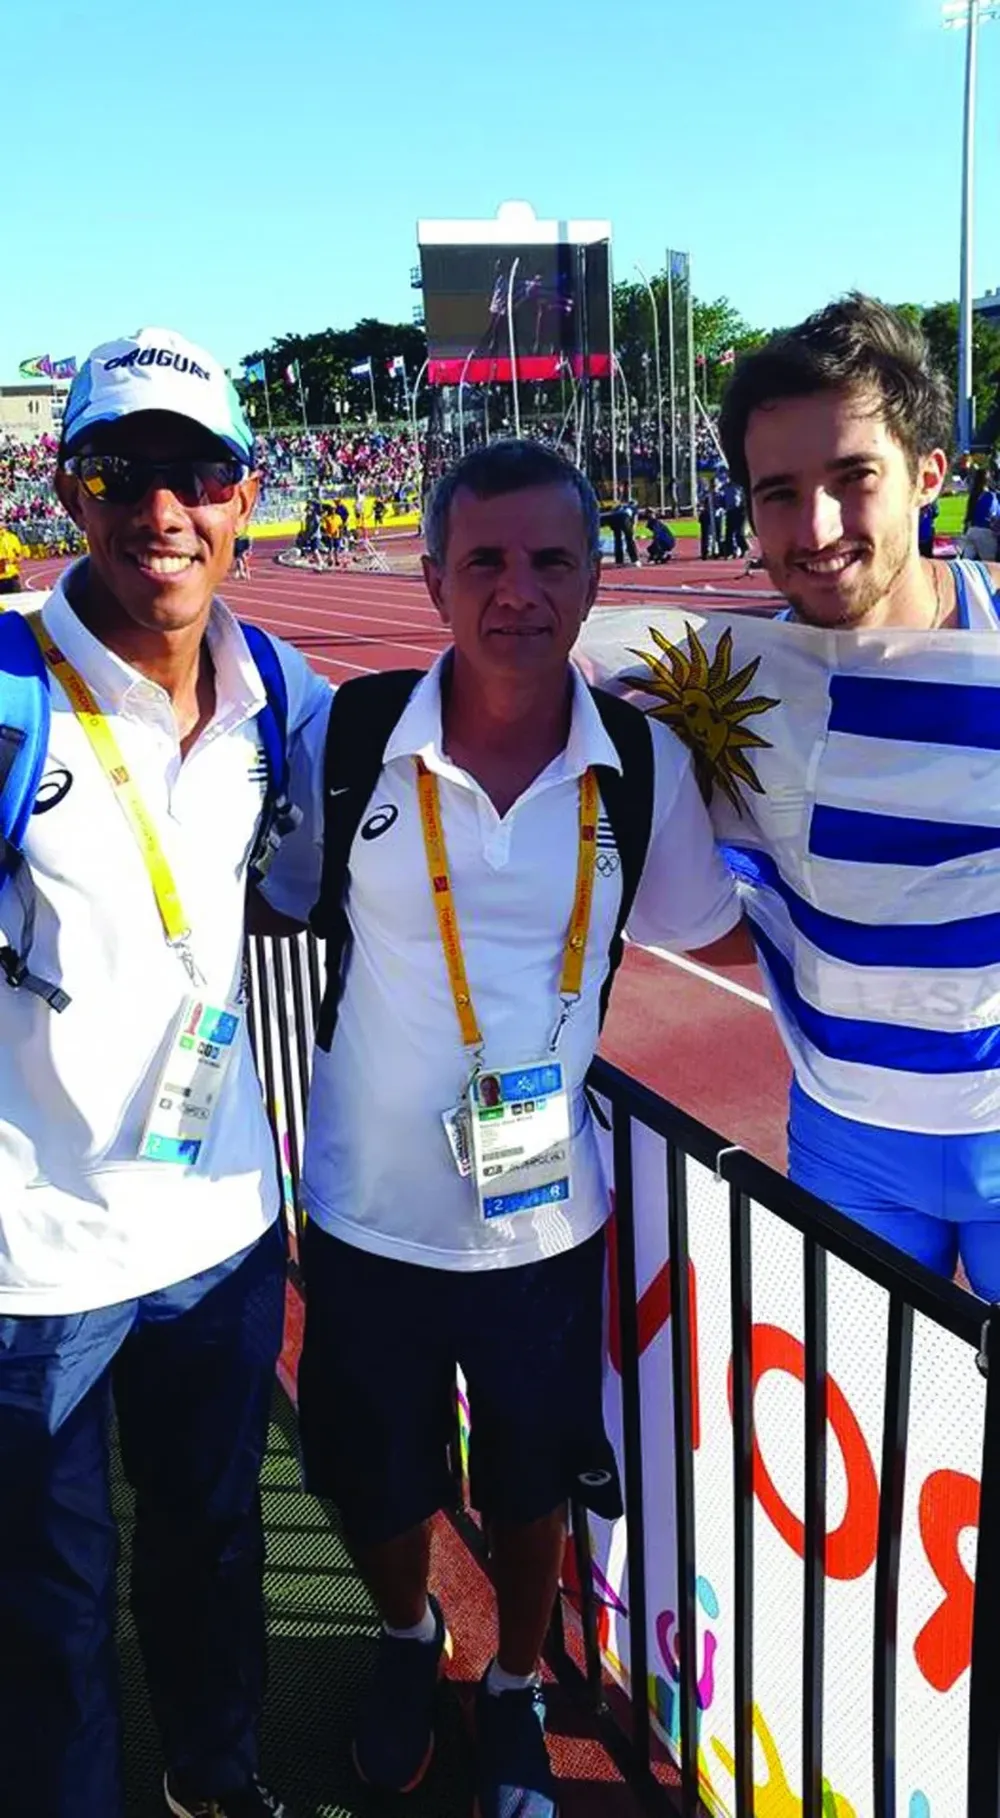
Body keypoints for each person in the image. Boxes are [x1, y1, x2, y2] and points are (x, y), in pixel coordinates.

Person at [258, 440, 747, 1818]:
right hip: (363, 1213)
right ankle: (414, 1639)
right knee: (373, 1477)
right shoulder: (352, 737)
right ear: (431, 579)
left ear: (596, 577)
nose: (517, 591)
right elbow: (279, 888)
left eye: (549, 560)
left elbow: (714, 931)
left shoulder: (641, 767)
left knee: (531, 1485)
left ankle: (518, 1681)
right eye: (484, 560)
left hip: (546, 1223)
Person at [0, 326, 329, 1818]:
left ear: (244, 493)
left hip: (220, 1228)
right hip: (37, 1250)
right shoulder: (12, 684)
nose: (162, 508)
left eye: (197, 469)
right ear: (68, 493)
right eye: (119, 471)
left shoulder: (280, 688)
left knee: (214, 1541)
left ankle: (217, 1773)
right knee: (49, 1609)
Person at [649, 295, 1000, 1291]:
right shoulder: (719, 686)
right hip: (849, 1142)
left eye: (854, 479)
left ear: (927, 475)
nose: (818, 527)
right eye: (778, 493)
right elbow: (692, 904)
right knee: (873, 1442)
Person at [0, 518, 26, 593]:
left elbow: (20, 555)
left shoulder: (12, 537)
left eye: (1, 520)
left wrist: (14, 560)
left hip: (12, 577)